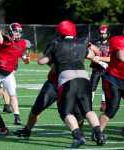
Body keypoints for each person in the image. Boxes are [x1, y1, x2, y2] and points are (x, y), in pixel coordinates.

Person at [37, 20, 105, 148]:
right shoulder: (80, 42)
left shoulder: (56, 43)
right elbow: (92, 54)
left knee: (66, 112)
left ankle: (78, 136)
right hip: (84, 79)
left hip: (67, 80)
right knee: (88, 111)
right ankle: (99, 134)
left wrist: (47, 57)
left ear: (60, 32)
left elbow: (42, 61)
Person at [13, 65, 84, 138]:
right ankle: (27, 130)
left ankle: (80, 132)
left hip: (70, 85)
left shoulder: (78, 53)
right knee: (37, 107)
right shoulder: (58, 53)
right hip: (53, 84)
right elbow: (45, 61)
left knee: (77, 113)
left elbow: (91, 54)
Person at [0, 14, 30, 125]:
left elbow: (24, 58)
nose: (18, 34)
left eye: (19, 32)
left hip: (8, 74)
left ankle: (17, 116)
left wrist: (26, 60)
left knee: (13, 95)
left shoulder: (22, 43)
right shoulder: (5, 40)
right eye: (16, 31)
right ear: (11, 31)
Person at [98, 36, 124, 136]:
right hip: (114, 79)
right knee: (112, 108)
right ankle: (98, 132)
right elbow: (121, 56)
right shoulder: (119, 40)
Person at [89, 24, 110, 112]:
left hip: (107, 69)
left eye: (104, 34)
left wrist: (102, 61)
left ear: (108, 33)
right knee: (92, 87)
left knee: (106, 87)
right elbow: (90, 55)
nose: (102, 35)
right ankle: (89, 104)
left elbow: (112, 58)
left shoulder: (111, 44)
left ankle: (104, 104)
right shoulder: (94, 43)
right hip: (96, 68)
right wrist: (99, 61)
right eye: (101, 34)